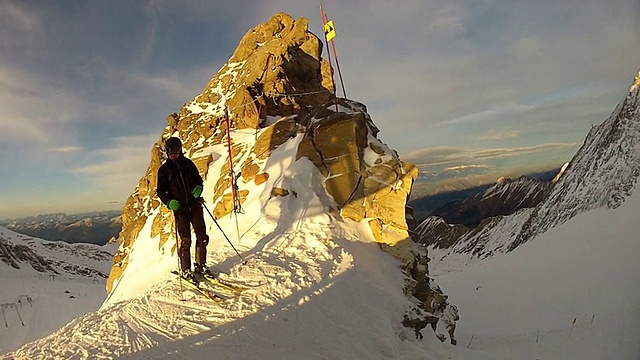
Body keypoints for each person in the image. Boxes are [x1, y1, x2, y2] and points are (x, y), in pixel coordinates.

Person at [157, 137, 212, 280]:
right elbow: (161, 191)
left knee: (202, 237)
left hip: (194, 205)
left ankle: (201, 265)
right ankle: (186, 269)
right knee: (185, 240)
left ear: (180, 150)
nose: (173, 155)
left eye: (175, 152)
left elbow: (198, 179)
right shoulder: (164, 170)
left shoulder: (188, 164)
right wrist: (168, 202)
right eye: (170, 153)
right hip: (180, 210)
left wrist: (199, 188)